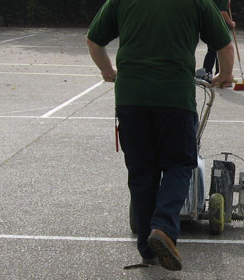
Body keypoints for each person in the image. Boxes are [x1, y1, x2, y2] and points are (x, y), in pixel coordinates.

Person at [86, 0, 235, 271]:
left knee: (142, 175)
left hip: (131, 100)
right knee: (180, 164)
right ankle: (164, 228)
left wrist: (108, 71)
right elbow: (225, 44)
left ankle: (147, 251)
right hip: (174, 98)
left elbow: (94, 40)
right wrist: (225, 74)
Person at [202, 0, 236, 77]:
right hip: (217, 26)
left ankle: (209, 74)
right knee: (219, 49)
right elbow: (222, 12)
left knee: (213, 51)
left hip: (209, 23)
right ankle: (215, 75)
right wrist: (231, 23)